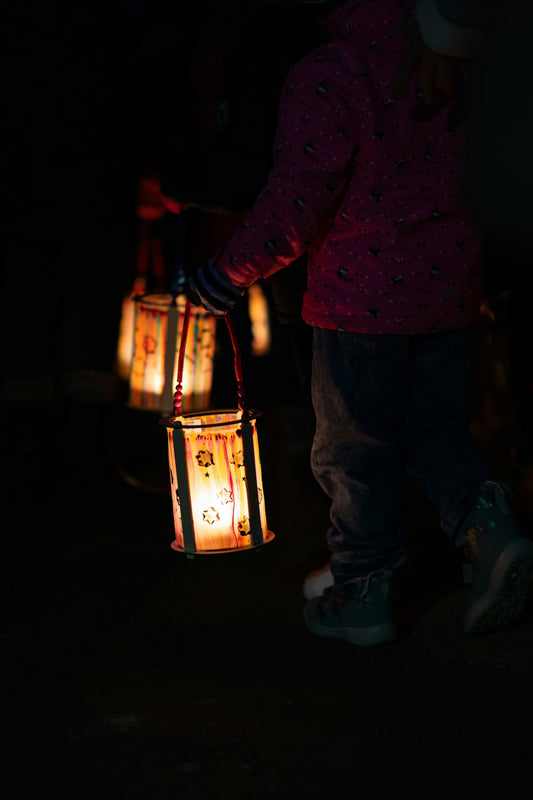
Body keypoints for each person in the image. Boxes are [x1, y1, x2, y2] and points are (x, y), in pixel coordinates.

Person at [182, 0, 533, 647]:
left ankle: (364, 591)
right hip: (448, 296)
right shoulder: (458, 65)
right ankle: (494, 532)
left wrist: (226, 274)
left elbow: (296, 200)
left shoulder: (330, 72)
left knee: (353, 455)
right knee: (436, 435)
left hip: (356, 307)